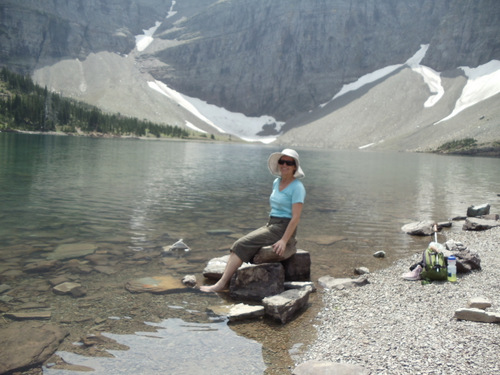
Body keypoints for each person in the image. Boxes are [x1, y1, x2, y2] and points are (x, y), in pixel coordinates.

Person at [200, 148, 306, 293]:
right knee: (243, 244)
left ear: (294, 166)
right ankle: (225, 280)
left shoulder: (297, 187)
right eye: (282, 161)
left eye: (289, 162)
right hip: (272, 224)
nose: (284, 165)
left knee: (240, 244)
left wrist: (284, 241)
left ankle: (221, 284)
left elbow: (296, 218)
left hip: (283, 228)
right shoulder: (276, 182)